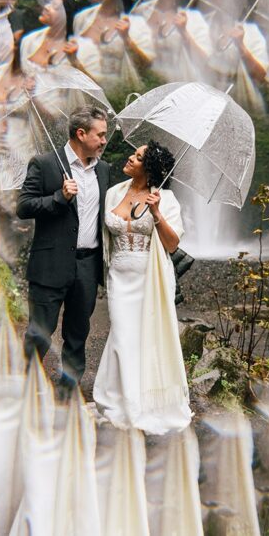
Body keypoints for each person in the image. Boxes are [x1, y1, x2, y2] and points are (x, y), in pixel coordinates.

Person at [93, 140, 192, 435]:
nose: (130, 158)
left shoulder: (166, 199)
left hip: (150, 278)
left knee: (146, 337)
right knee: (122, 335)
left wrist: (157, 214)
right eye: (133, 154)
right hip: (118, 276)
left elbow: (172, 244)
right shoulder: (115, 192)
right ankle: (118, 398)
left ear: (149, 169)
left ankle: (140, 404)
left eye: (137, 157)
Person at [16, 105, 110, 392]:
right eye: (100, 135)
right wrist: (59, 197)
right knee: (40, 333)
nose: (104, 140)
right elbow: (24, 206)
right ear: (81, 134)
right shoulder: (44, 164)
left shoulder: (104, 170)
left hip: (87, 264)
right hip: (50, 264)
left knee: (78, 334)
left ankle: (68, 391)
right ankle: (27, 388)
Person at [72, 0, 154, 92]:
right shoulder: (82, 17)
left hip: (116, 92)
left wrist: (126, 38)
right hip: (84, 87)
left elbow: (145, 64)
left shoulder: (133, 24)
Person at [19, 0, 87, 75]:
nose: (46, 7)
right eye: (49, 3)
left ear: (67, 16)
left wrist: (74, 62)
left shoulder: (77, 51)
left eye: (55, 7)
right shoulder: (30, 39)